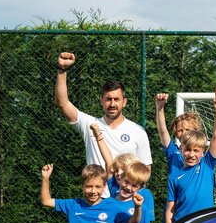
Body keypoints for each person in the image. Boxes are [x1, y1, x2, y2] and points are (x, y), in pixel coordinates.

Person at [53, 53, 152, 185]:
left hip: (125, 196)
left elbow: (146, 170)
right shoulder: (90, 124)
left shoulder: (138, 131)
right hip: (96, 195)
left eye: (116, 99)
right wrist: (62, 70)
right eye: (108, 99)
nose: (112, 104)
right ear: (101, 101)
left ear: (124, 102)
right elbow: (62, 103)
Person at [165, 86, 216, 223]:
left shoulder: (207, 165)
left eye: (196, 151)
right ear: (181, 149)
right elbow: (170, 210)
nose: (191, 154)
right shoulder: (174, 176)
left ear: (203, 152)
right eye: (188, 150)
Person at [155, 92, 203, 175]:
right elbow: (163, 131)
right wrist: (160, 107)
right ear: (176, 134)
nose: (184, 133)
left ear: (196, 131)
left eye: (188, 129)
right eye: (180, 130)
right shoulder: (173, 152)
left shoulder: (203, 154)